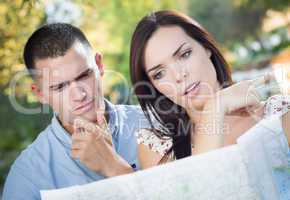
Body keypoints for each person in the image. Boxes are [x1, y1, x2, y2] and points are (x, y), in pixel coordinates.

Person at [3, 23, 150, 200]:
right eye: (59, 87)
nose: (79, 95)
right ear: (40, 93)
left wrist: (114, 167)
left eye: (83, 76)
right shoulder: (27, 176)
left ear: (99, 65)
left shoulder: (153, 122)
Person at [129, 10, 290, 168]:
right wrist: (215, 107)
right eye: (159, 74)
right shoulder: (158, 149)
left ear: (206, 48)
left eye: (184, 54)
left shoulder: (280, 116)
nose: (178, 75)